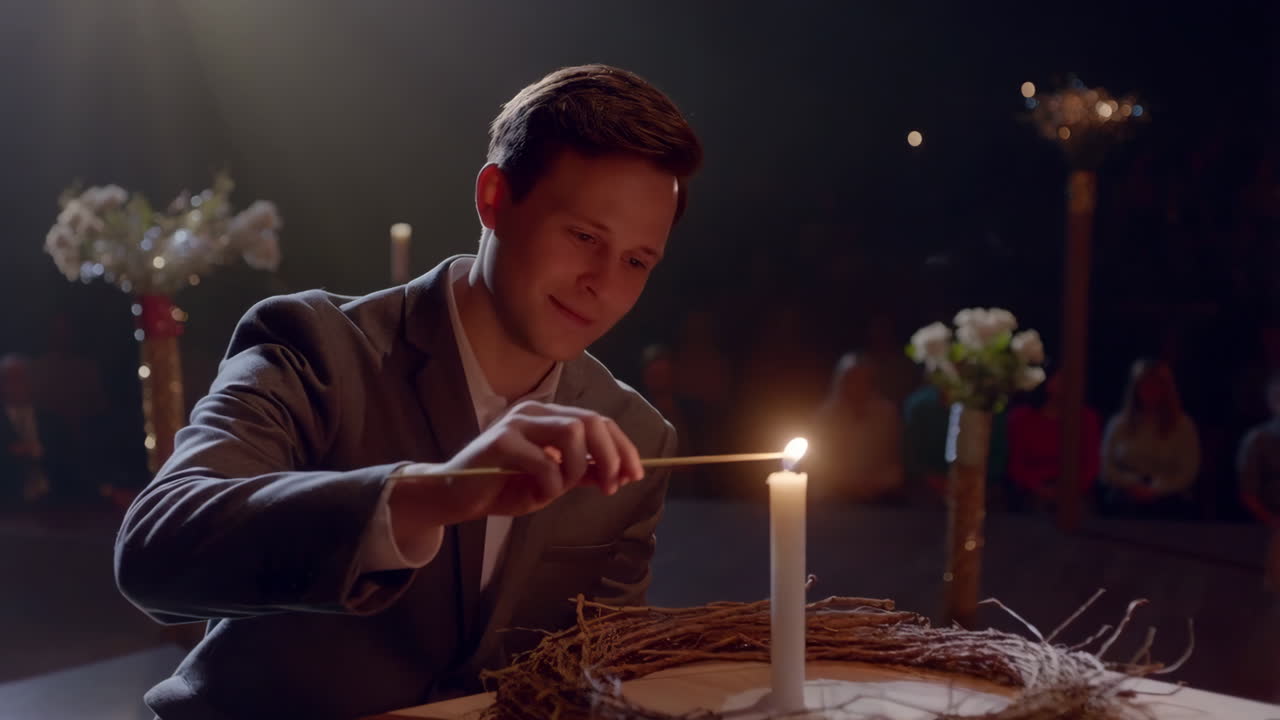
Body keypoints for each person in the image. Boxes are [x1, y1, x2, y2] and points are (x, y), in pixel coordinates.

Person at [114, 64, 703, 719]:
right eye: (585, 236)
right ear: (493, 198)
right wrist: (431, 493)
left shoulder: (637, 435)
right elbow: (154, 555)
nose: (601, 281)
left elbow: (599, 678)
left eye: (635, 261)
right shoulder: (317, 345)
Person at [1100, 359, 1201, 516]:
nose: (1150, 390)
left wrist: (1156, 489)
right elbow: (1106, 466)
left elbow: (1188, 471)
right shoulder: (1118, 423)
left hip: (1169, 500)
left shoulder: (1183, 425)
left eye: (1156, 384)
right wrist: (1132, 484)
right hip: (1125, 498)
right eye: (1144, 384)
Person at [809, 353, 903, 502]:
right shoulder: (825, 417)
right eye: (852, 379)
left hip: (877, 496)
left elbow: (894, 460)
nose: (857, 385)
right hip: (832, 496)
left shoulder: (886, 413)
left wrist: (873, 484)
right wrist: (848, 485)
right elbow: (819, 464)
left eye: (864, 379)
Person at [1005, 371, 1101, 511]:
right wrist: (1038, 488)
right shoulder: (1022, 418)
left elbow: (1091, 464)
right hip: (1030, 492)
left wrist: (1068, 490)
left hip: (1074, 494)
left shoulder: (1087, 419)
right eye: (1061, 377)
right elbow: (1015, 464)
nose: (1066, 383)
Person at [1238, 373, 1280, 591]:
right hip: (1270, 526)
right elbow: (1248, 492)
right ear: (1272, 402)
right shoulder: (1259, 440)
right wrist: (1273, 521)